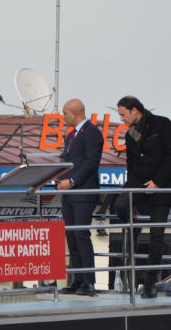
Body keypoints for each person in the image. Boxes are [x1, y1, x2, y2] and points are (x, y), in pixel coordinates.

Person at [115, 96, 171, 298]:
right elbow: (130, 165)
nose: (121, 119)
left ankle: (150, 283)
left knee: (157, 235)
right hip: (139, 181)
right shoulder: (129, 134)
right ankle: (134, 227)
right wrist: (131, 197)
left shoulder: (162, 124)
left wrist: (158, 182)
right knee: (120, 205)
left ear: (134, 110)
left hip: (163, 185)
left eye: (123, 114)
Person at [56, 99, 103, 297]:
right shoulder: (70, 135)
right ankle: (78, 280)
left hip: (83, 194)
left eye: (65, 113)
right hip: (68, 195)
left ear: (75, 113)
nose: (63, 117)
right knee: (72, 237)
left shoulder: (92, 133)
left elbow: (92, 162)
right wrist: (60, 179)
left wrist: (73, 181)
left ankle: (89, 282)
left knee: (81, 235)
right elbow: (69, 161)